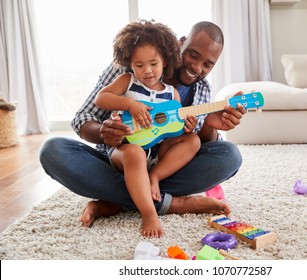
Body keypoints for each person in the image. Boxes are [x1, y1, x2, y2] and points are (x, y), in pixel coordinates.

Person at [39, 20, 245, 232]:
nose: (197, 67)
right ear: (181, 43)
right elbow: (84, 117)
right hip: (120, 157)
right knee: (53, 151)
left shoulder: (201, 89)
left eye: (208, 64)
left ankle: (122, 199)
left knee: (230, 156)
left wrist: (209, 126)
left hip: (163, 166)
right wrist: (104, 133)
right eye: (193, 55)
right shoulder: (130, 66)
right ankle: (170, 203)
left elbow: (197, 146)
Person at [95, 20, 201, 237]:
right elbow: (101, 98)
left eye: (153, 63)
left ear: (165, 60)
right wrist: (129, 104)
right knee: (134, 154)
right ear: (130, 64)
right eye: (139, 65)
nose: (147, 71)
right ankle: (149, 213)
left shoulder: (172, 94)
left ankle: (154, 178)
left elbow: (171, 129)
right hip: (126, 151)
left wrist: (187, 128)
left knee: (194, 141)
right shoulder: (128, 81)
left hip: (155, 154)